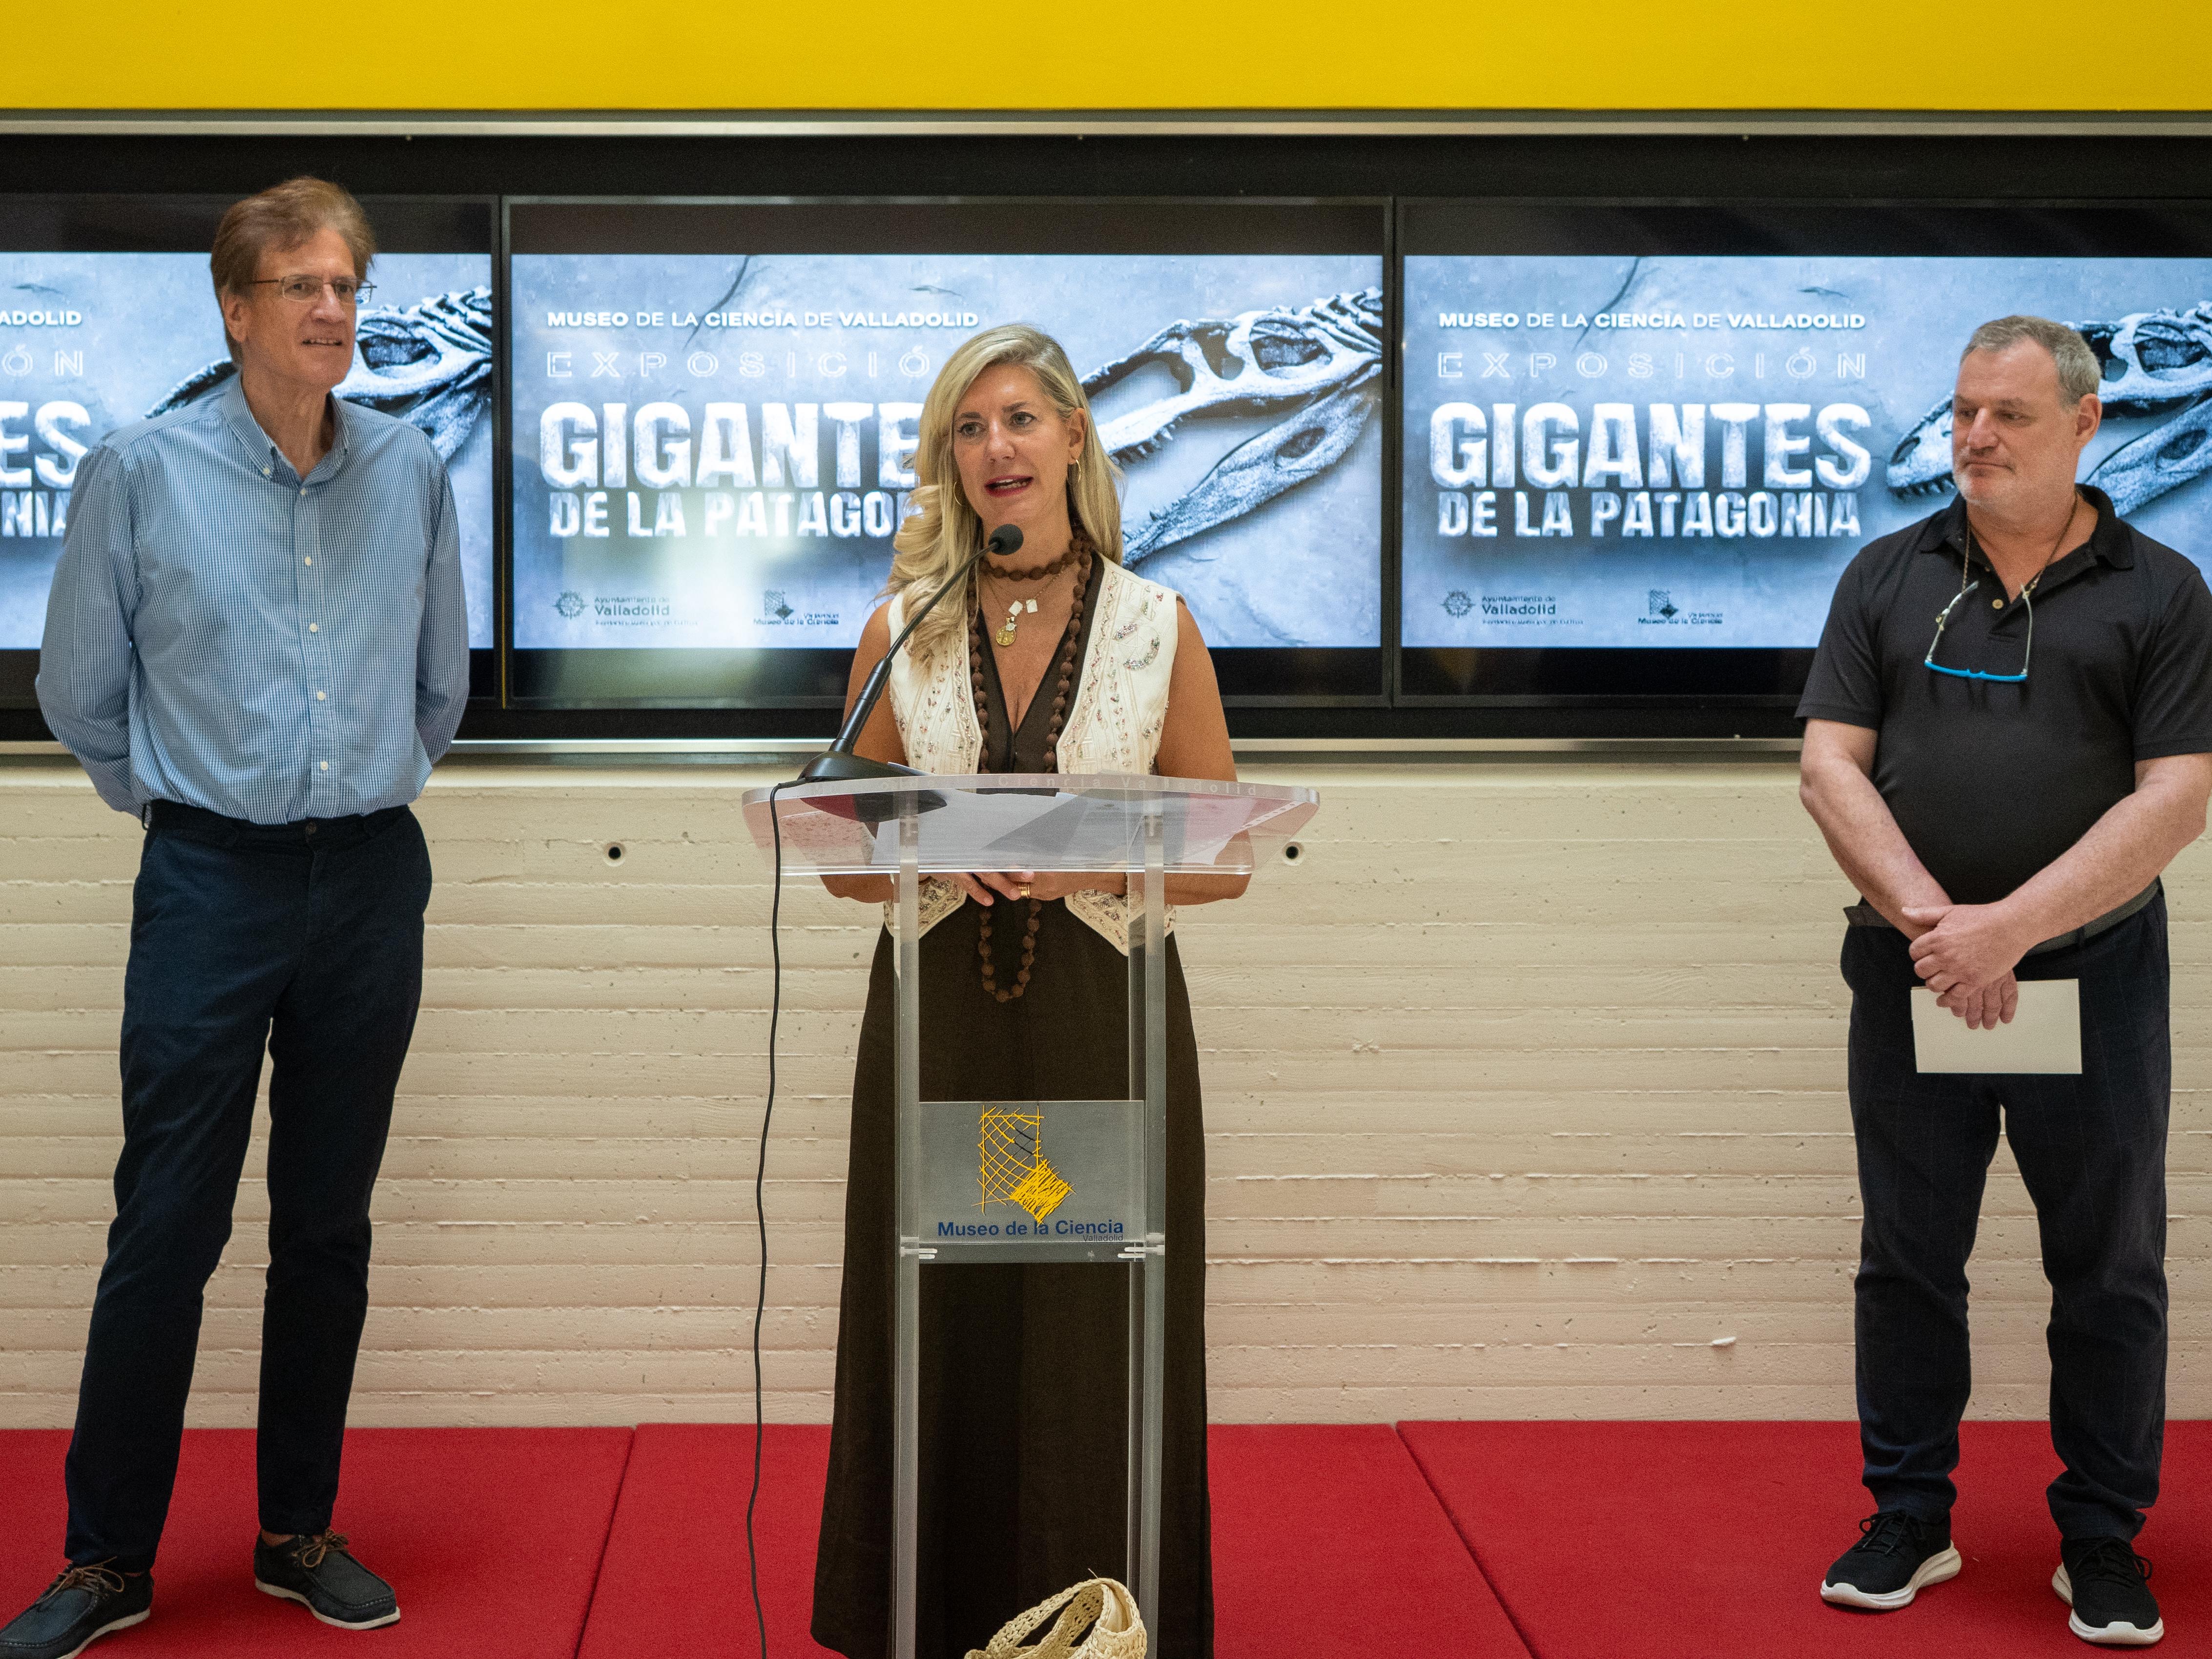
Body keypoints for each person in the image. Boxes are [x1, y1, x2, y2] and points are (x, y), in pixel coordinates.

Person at [1, 178, 468, 1659]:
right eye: (303, 287)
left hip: (371, 878)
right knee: (168, 1221)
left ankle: (296, 1533)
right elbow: (80, 693)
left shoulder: (409, 469)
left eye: (348, 286)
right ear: (235, 310)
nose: (334, 311)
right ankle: (106, 1561)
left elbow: (440, 689)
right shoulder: (140, 471)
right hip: (210, 882)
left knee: (327, 1224)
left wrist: (350, 797)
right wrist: (184, 807)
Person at [809, 323, 1243, 1659]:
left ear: (1072, 437)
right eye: (968, 427)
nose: (995, 447)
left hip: (1101, 1027)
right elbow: (840, 858)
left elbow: (1223, 856)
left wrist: (1075, 867)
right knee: (944, 1310)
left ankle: (1105, 1624)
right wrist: (924, 849)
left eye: (1018, 420)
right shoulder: (903, 627)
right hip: (941, 1026)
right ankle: (931, 1622)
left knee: (1088, 1317)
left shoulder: (1157, 626)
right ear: (949, 459)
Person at [1798, 315, 2212, 1647]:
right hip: (1913, 974)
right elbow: (1829, 767)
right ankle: (1907, 1516)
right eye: (1964, 409)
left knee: (2109, 1264)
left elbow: (2177, 796)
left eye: (2009, 416)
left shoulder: (2162, 592)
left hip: (2095, 978)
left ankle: (2101, 1536)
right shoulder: (1885, 572)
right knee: (1907, 1258)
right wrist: (1943, 932)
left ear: (2086, 423)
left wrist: (2012, 932)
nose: (1972, 436)